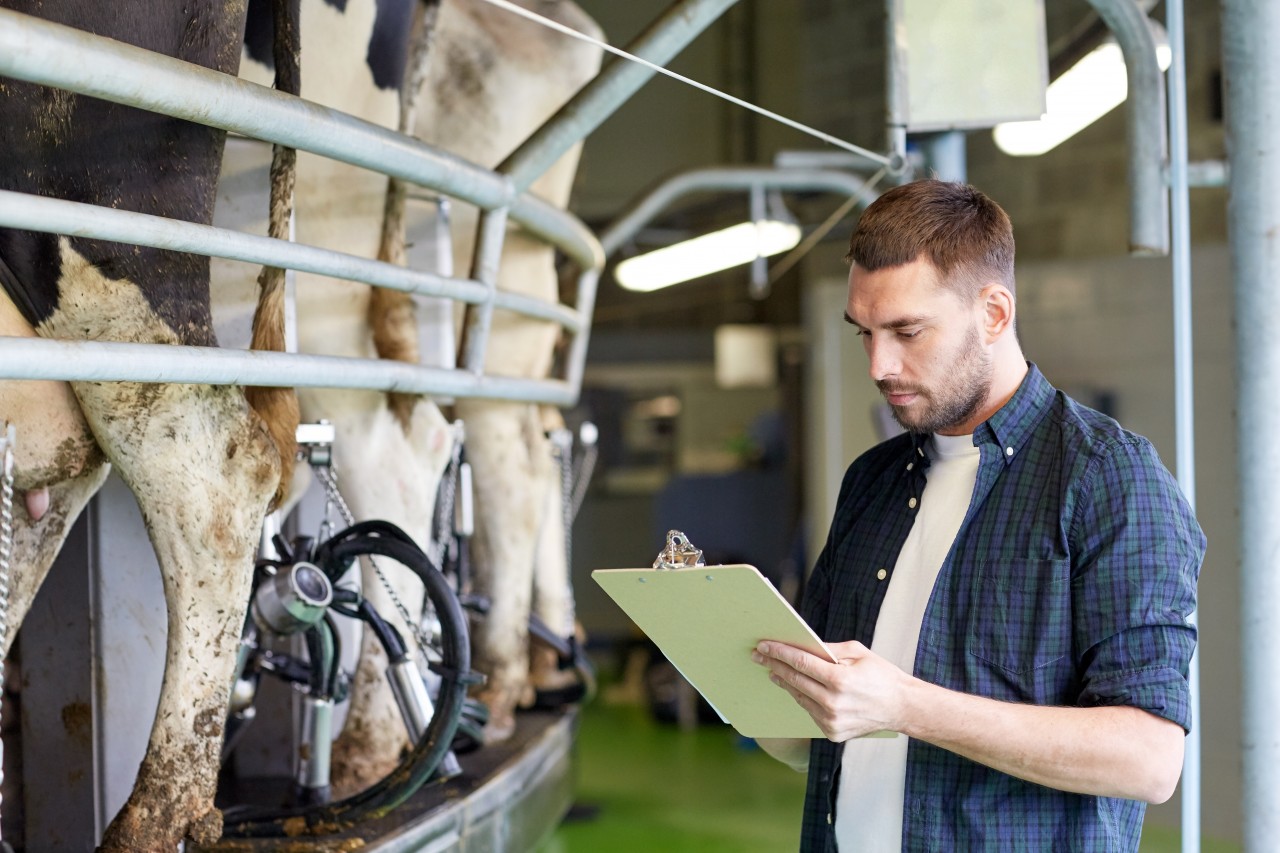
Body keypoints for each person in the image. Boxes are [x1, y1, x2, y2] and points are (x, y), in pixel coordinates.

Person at [752, 179, 1204, 851]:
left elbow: (1147, 756)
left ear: (993, 313)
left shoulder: (1107, 478)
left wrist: (905, 704)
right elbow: (812, 721)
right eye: (865, 333)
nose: (880, 363)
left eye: (907, 331)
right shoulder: (872, 481)